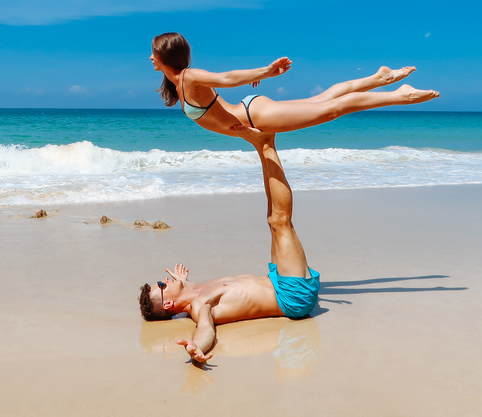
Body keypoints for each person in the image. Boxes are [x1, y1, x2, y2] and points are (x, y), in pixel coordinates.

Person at [138, 126, 319, 364]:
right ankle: (268, 144)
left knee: (271, 216)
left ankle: (262, 145)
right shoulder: (199, 306)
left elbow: (195, 290)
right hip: (291, 295)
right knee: (280, 221)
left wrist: (182, 282)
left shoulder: (195, 290)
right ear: (169, 302)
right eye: (161, 284)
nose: (164, 280)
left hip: (274, 279)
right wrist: (196, 348)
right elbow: (206, 330)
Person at [150, 32, 439, 137]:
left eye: (154, 52)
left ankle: (400, 95)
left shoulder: (188, 77)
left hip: (255, 116)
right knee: (324, 100)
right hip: (252, 111)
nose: (151, 57)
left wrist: (266, 70)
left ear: (165, 55)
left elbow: (225, 78)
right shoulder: (179, 83)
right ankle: (378, 79)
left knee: (331, 109)